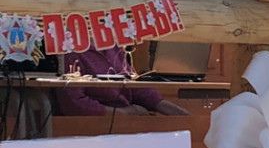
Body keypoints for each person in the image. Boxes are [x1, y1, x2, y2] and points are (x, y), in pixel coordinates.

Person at [56, 43, 189, 117]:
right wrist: (124, 113)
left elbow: (130, 83)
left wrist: (166, 107)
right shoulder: (69, 50)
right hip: (92, 133)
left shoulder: (111, 44)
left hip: (125, 126)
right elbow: (73, 104)